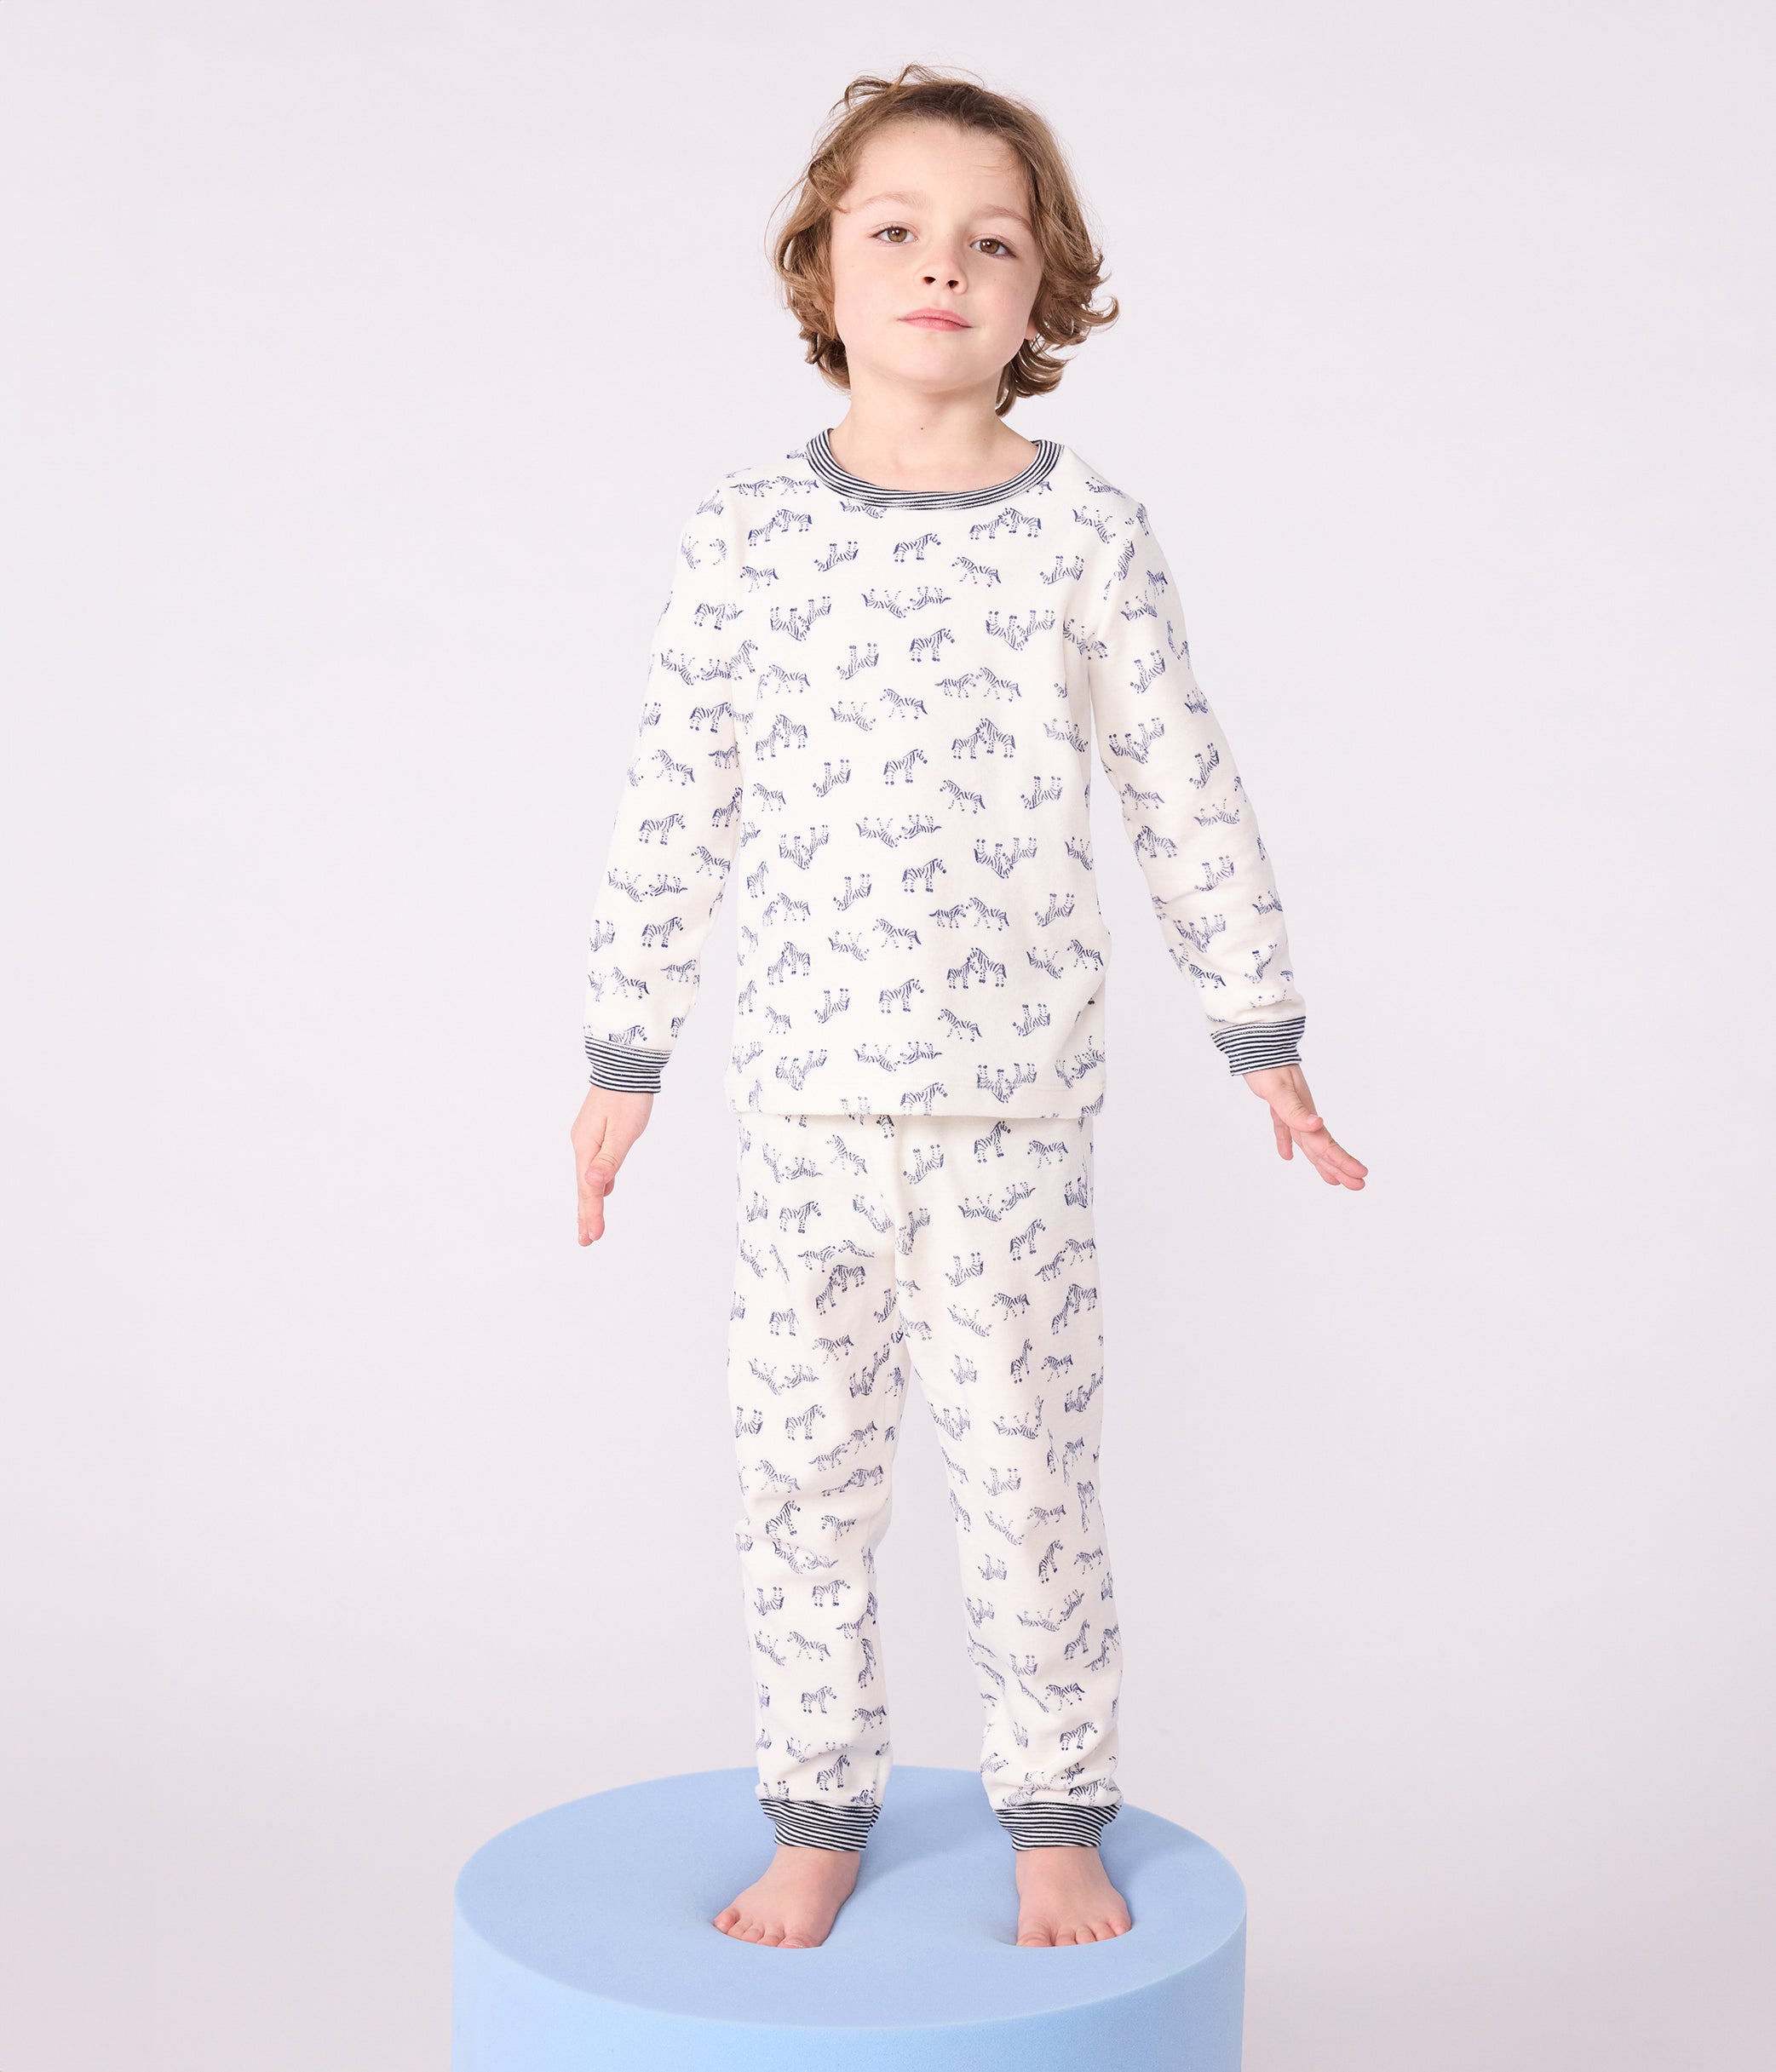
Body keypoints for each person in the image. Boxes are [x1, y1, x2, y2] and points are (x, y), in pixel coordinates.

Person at [571, 64, 1367, 1953]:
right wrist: (623, 1053)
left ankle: (1054, 1814)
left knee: (1028, 1485)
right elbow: (675, 796)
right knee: (802, 1489)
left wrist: (1260, 1032)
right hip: (806, 1122)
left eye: (990, 241)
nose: (942, 266)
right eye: (897, 230)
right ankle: (816, 1810)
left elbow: (1180, 783)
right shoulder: (745, 534)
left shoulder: (1083, 532)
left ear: (1041, 293)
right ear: (821, 270)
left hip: (1009, 1118)